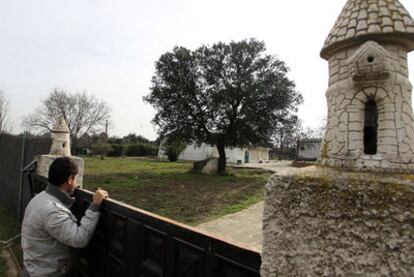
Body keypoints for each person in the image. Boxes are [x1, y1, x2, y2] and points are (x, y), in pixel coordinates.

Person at [21, 157, 109, 277]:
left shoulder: (40, 198)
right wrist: (94, 206)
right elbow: (79, 239)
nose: (77, 183)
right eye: (75, 179)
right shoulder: (52, 210)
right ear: (70, 179)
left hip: (34, 268)